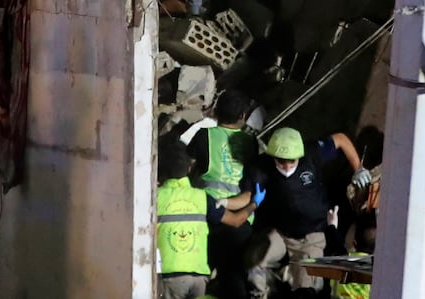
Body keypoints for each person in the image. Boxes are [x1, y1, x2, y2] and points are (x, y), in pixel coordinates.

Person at [239, 128, 372, 299]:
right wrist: (225, 204)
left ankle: (291, 275)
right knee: (253, 262)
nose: (287, 166)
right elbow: (247, 196)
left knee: (307, 290)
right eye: (281, 161)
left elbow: (340, 139)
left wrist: (358, 169)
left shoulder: (311, 154)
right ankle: (264, 293)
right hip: (281, 232)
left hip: (311, 236)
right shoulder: (261, 166)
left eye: (292, 161)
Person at [157, 138, 252, 299]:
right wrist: (254, 204)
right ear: (189, 168)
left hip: (169, 276)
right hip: (199, 277)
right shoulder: (202, 197)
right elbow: (236, 220)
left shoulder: (155, 198)